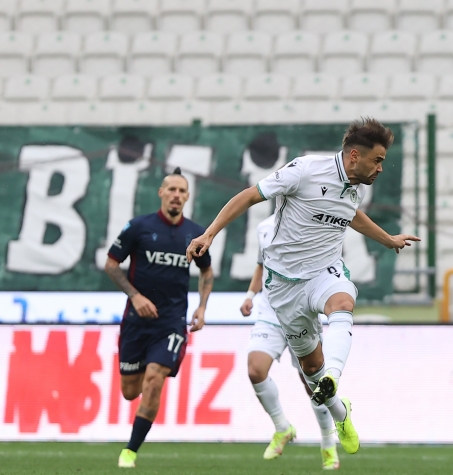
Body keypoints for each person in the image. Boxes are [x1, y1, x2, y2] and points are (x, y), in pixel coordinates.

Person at [186, 118, 420, 455]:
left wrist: (387, 239)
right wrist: (209, 233)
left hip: (324, 272)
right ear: (355, 156)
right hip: (283, 286)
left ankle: (334, 376)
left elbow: (351, 214)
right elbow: (250, 196)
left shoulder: (354, 186)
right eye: (378, 160)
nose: (381, 168)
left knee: (342, 303)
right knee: (311, 369)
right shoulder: (305, 170)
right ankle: (340, 412)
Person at [105, 168, 214, 468]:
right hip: (136, 322)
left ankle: (130, 452)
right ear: (161, 193)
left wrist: (202, 307)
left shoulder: (195, 234)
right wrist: (135, 296)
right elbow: (111, 264)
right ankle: (143, 385)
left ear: (188, 196)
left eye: (182, 191)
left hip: (171, 322)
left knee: (155, 377)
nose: (176, 195)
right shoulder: (138, 227)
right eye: (172, 190)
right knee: (130, 392)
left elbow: (206, 270)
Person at [241, 213, 339, 470]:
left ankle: (328, 442)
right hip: (270, 313)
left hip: (301, 315)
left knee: (314, 386)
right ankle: (282, 427)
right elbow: (261, 265)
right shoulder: (264, 227)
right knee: (255, 369)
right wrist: (250, 294)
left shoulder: (313, 223)